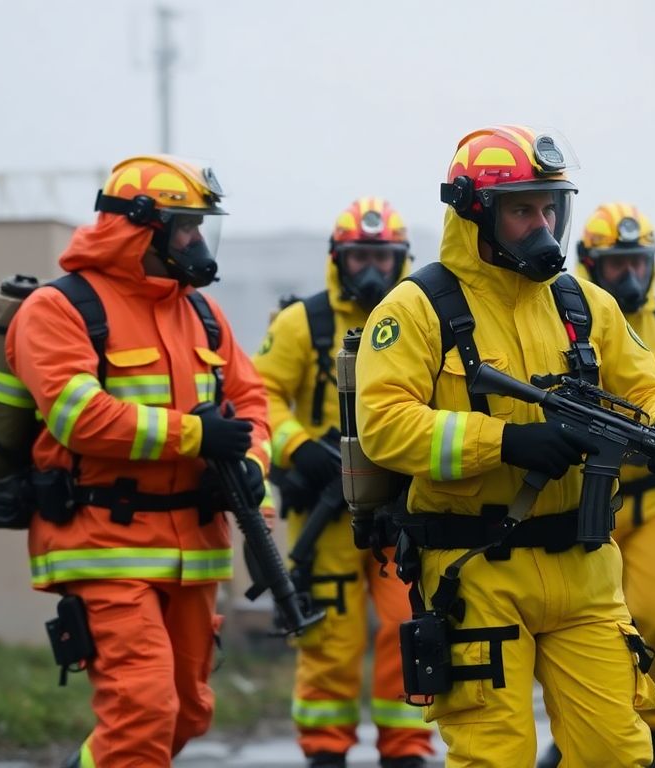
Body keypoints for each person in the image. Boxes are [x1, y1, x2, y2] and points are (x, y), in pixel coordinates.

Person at [355, 125, 655, 768]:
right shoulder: (417, 307)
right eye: (522, 209)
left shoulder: (581, 303)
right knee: (495, 757)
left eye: (550, 207)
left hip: (586, 568)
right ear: (475, 212)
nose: (542, 224)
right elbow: (383, 424)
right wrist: (506, 442)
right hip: (473, 566)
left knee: (618, 755)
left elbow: (653, 384)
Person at [6, 154, 274, 766]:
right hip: (104, 540)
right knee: (144, 709)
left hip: (194, 549)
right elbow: (79, 415)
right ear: (141, 227)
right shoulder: (59, 309)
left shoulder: (202, 314)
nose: (199, 242)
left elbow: (253, 401)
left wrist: (254, 461)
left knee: (185, 711)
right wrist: (194, 437)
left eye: (203, 226)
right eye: (186, 226)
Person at [532, 203, 655, 768]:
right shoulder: (569, 315)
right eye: (618, 265)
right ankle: (580, 726)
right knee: (579, 622)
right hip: (587, 491)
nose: (630, 276)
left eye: (639, 263)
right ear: (593, 263)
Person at [254, 197, 434, 767]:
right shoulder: (301, 323)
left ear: (403, 259)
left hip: (402, 508)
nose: (372, 272)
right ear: (338, 259)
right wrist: (298, 446)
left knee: (409, 628)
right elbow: (259, 396)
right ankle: (325, 753)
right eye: (359, 257)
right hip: (324, 509)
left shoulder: (421, 320)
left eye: (383, 258)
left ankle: (406, 749)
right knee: (329, 640)